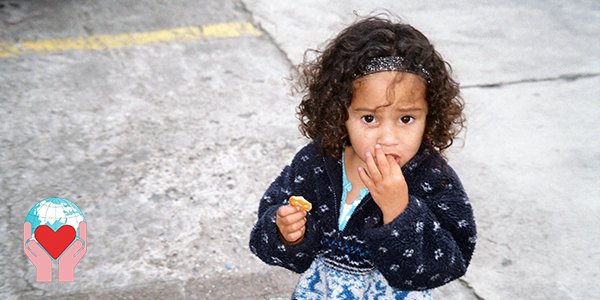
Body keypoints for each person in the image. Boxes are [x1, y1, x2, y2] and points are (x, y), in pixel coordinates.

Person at [249, 15, 476, 299]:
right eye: (369, 118)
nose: (388, 138)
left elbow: (449, 262)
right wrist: (285, 232)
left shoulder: (431, 178)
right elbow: (268, 239)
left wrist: (399, 210)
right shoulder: (317, 162)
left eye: (406, 118)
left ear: (430, 116)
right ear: (339, 113)